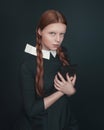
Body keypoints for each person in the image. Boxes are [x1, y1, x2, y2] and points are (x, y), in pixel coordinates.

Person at [13, 9, 79, 130]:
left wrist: (71, 91)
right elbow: (31, 110)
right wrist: (62, 92)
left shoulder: (63, 53)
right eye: (52, 33)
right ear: (40, 31)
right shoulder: (27, 65)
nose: (58, 39)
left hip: (65, 120)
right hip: (43, 125)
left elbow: (68, 87)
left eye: (62, 34)